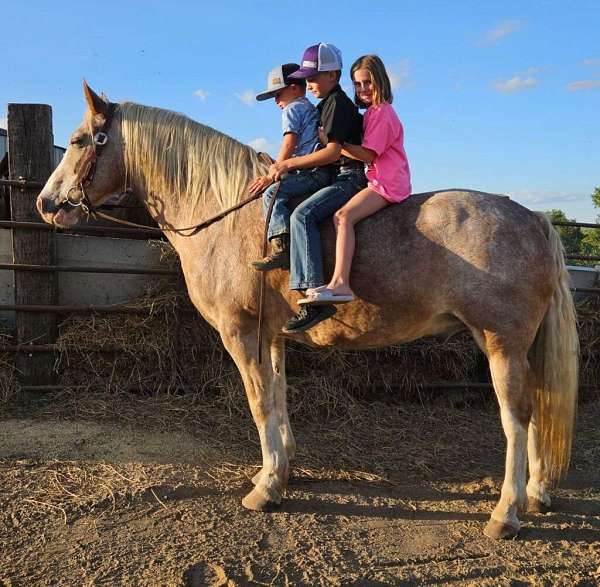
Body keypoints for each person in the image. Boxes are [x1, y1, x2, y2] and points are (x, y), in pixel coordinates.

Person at [265, 43, 366, 333]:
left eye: (313, 77)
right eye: (306, 79)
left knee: (303, 215)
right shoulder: (325, 104)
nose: (308, 84)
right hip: (337, 174)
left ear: (333, 75)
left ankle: (315, 294)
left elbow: (333, 153)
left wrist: (287, 165)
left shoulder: (336, 104)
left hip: (348, 177)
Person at [298, 54, 411, 312]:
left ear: (381, 81)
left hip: (387, 183)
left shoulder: (382, 113)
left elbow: (369, 154)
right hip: (380, 179)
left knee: (342, 216)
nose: (363, 89)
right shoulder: (373, 113)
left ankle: (340, 283)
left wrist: (335, 145)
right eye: (358, 84)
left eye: (368, 83)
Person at [249, 63, 331, 271]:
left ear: (294, 88)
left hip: (308, 172)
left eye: (278, 93)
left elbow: (289, 143)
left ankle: (282, 247)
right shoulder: (308, 107)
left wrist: (272, 173)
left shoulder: (292, 109)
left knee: (272, 194)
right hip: (319, 171)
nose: (276, 100)